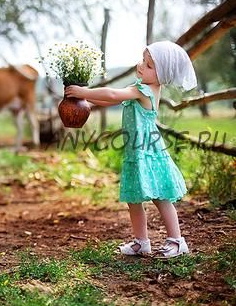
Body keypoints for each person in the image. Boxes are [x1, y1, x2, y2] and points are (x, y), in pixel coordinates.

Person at [65, 41, 197, 258]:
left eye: (149, 65)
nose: (141, 66)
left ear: (162, 74)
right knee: (134, 198)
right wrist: (85, 98)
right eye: (143, 60)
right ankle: (141, 242)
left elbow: (114, 95)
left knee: (161, 197)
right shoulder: (142, 87)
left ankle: (177, 241)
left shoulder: (144, 89)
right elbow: (111, 101)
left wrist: (83, 91)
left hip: (149, 151)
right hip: (136, 151)